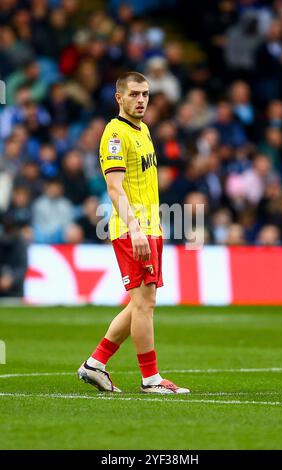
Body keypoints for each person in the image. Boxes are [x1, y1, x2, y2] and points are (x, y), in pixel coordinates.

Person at [78, 71, 190, 394]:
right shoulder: (115, 135)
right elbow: (114, 190)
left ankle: (95, 364)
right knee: (144, 304)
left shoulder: (143, 130)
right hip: (133, 229)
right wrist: (136, 229)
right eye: (134, 94)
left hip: (150, 226)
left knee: (140, 302)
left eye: (145, 94)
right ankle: (150, 379)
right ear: (119, 97)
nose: (141, 100)